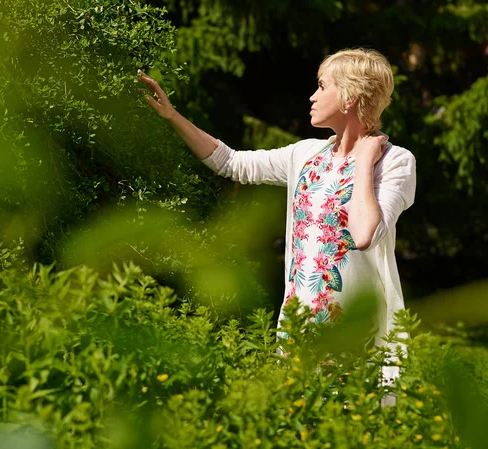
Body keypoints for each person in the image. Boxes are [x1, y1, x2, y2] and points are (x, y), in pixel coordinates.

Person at [138, 48, 416, 390]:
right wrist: (172, 116)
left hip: (353, 331)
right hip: (298, 326)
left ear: (348, 98)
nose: (312, 96)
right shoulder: (305, 154)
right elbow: (232, 162)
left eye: (322, 86)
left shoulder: (395, 163)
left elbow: (364, 235)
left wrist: (363, 160)